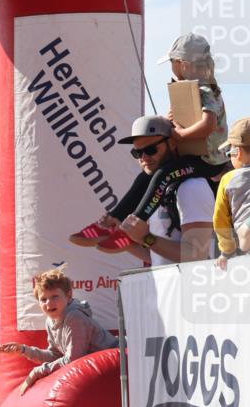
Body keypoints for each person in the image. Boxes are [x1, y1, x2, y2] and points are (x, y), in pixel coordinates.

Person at [71, 33, 229, 252]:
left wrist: (179, 136)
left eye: (172, 63)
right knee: (146, 175)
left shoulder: (203, 89)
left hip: (209, 161)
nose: (171, 68)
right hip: (196, 155)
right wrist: (170, 120)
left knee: (164, 175)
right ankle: (113, 220)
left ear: (182, 64)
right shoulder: (189, 90)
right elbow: (185, 118)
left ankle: (134, 224)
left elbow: (208, 125)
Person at [115, 115, 217, 266]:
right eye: (137, 153)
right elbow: (161, 257)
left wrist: (147, 238)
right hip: (171, 288)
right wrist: (125, 240)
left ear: (172, 143)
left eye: (150, 150)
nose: (144, 157)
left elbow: (197, 254)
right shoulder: (159, 189)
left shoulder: (191, 186)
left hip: (195, 287)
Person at [0, 269, 118, 394]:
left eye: (55, 296)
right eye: (43, 299)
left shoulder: (74, 317)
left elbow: (73, 360)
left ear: (69, 295)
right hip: (100, 369)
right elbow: (55, 355)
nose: (49, 303)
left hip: (115, 365)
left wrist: (38, 372)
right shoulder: (50, 320)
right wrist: (23, 350)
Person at [214, 117, 250, 269]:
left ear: (239, 152)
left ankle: (245, 231)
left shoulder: (228, 179)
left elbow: (220, 219)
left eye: (230, 152)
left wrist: (227, 251)